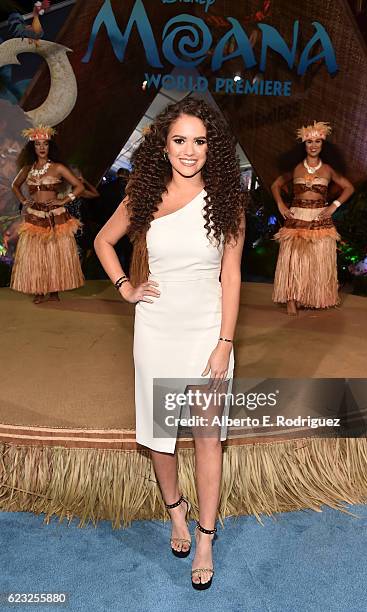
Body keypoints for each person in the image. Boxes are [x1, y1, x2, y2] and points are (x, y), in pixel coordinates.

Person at [94, 97, 245, 590]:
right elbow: (103, 241)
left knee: (206, 437)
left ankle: (205, 536)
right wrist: (126, 289)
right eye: (180, 140)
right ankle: (175, 513)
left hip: (207, 330)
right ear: (163, 144)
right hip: (156, 329)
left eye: (200, 141)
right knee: (161, 437)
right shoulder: (144, 194)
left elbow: (232, 274)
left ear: (212, 148)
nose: (189, 150)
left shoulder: (228, 199)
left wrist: (225, 341)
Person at [271, 121, 354, 315]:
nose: (314, 145)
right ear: (304, 145)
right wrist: (281, 204)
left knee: (316, 259)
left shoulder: (328, 170)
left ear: (323, 145)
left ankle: (309, 296)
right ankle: (291, 298)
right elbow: (275, 185)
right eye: (310, 142)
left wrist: (334, 206)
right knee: (294, 259)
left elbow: (349, 187)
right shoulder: (296, 168)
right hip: (297, 216)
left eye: (318, 141)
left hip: (319, 217)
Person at [10, 125, 85, 303]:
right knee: (37, 254)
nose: (42, 148)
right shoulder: (28, 168)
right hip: (35, 215)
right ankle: (39, 289)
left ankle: (54, 291)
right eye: (38, 145)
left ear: (50, 146)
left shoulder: (57, 167)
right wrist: (23, 200)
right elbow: (14, 185)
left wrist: (64, 200)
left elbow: (79, 186)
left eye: (45, 144)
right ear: (33, 148)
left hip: (55, 214)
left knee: (55, 252)